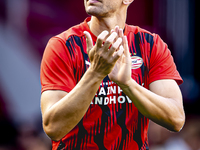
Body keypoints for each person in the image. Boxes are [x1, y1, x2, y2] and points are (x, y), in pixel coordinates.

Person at [40, 0, 185, 149]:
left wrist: (128, 84)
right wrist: (95, 73)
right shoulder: (62, 46)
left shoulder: (150, 44)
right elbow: (53, 128)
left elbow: (176, 119)